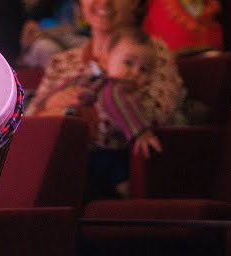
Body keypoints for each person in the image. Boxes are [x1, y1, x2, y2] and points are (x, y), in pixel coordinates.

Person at [24, 0, 187, 201]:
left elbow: (154, 113)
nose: (104, 1)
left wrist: (72, 115)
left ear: (136, 0)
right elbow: (31, 125)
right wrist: (56, 111)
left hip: (111, 173)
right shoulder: (63, 61)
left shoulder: (151, 52)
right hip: (58, 165)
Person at [61, 26, 162, 198]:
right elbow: (116, 102)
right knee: (120, 184)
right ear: (107, 60)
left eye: (144, 69)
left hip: (109, 149)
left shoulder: (132, 91)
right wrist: (140, 131)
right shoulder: (112, 87)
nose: (135, 73)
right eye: (128, 63)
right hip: (98, 150)